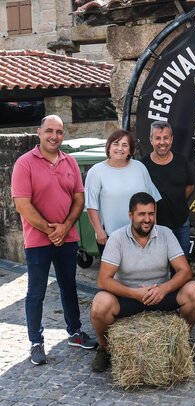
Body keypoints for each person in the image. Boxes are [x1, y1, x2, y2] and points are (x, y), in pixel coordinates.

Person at [11, 115, 97, 366]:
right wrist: (51, 231)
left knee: (69, 286)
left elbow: (79, 199)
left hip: (68, 238)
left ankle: (75, 333)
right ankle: (36, 343)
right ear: (39, 132)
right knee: (35, 292)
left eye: (59, 132)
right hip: (38, 240)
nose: (54, 136)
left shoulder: (70, 162)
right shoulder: (24, 164)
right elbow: (22, 205)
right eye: (49, 131)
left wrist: (66, 226)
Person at [89, 192, 195, 372]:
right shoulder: (117, 238)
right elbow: (103, 280)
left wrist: (164, 289)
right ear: (131, 215)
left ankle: (181, 341)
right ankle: (105, 348)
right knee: (99, 304)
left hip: (161, 295)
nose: (147, 219)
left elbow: (185, 271)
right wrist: (135, 293)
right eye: (142, 214)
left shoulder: (165, 233)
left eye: (151, 213)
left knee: (194, 291)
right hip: (129, 297)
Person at [85, 129, 161, 255]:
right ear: (108, 147)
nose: (120, 148)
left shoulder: (140, 168)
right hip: (111, 238)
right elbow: (91, 206)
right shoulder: (96, 172)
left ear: (130, 151)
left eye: (125, 145)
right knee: (113, 275)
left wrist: (154, 227)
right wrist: (99, 231)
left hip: (141, 235)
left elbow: (152, 199)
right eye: (115, 144)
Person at [141, 121, 194, 256]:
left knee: (182, 265)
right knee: (160, 268)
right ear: (151, 140)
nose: (162, 142)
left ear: (171, 139)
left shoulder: (181, 161)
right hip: (155, 228)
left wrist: (177, 200)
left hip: (181, 225)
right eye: (158, 138)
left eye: (166, 137)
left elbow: (190, 186)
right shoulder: (142, 166)